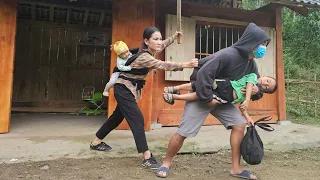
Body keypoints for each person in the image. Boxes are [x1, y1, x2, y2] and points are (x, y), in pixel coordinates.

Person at [156, 23, 272, 180]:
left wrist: (257, 91)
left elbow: (255, 84)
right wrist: (207, 98)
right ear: (252, 42)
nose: (263, 48)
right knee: (184, 132)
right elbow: (204, 73)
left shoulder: (251, 63)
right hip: (203, 96)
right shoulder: (228, 55)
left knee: (239, 125)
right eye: (262, 44)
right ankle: (166, 162)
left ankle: (236, 168)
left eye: (265, 45)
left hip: (223, 100)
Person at [89, 26, 198, 169]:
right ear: (146, 41)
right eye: (156, 39)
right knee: (138, 119)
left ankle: (96, 142)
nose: (159, 42)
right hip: (123, 89)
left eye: (160, 39)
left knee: (117, 117)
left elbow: (163, 44)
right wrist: (186, 64)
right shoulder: (144, 57)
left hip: (126, 89)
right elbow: (162, 65)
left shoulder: (150, 50)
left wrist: (173, 37)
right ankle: (146, 156)